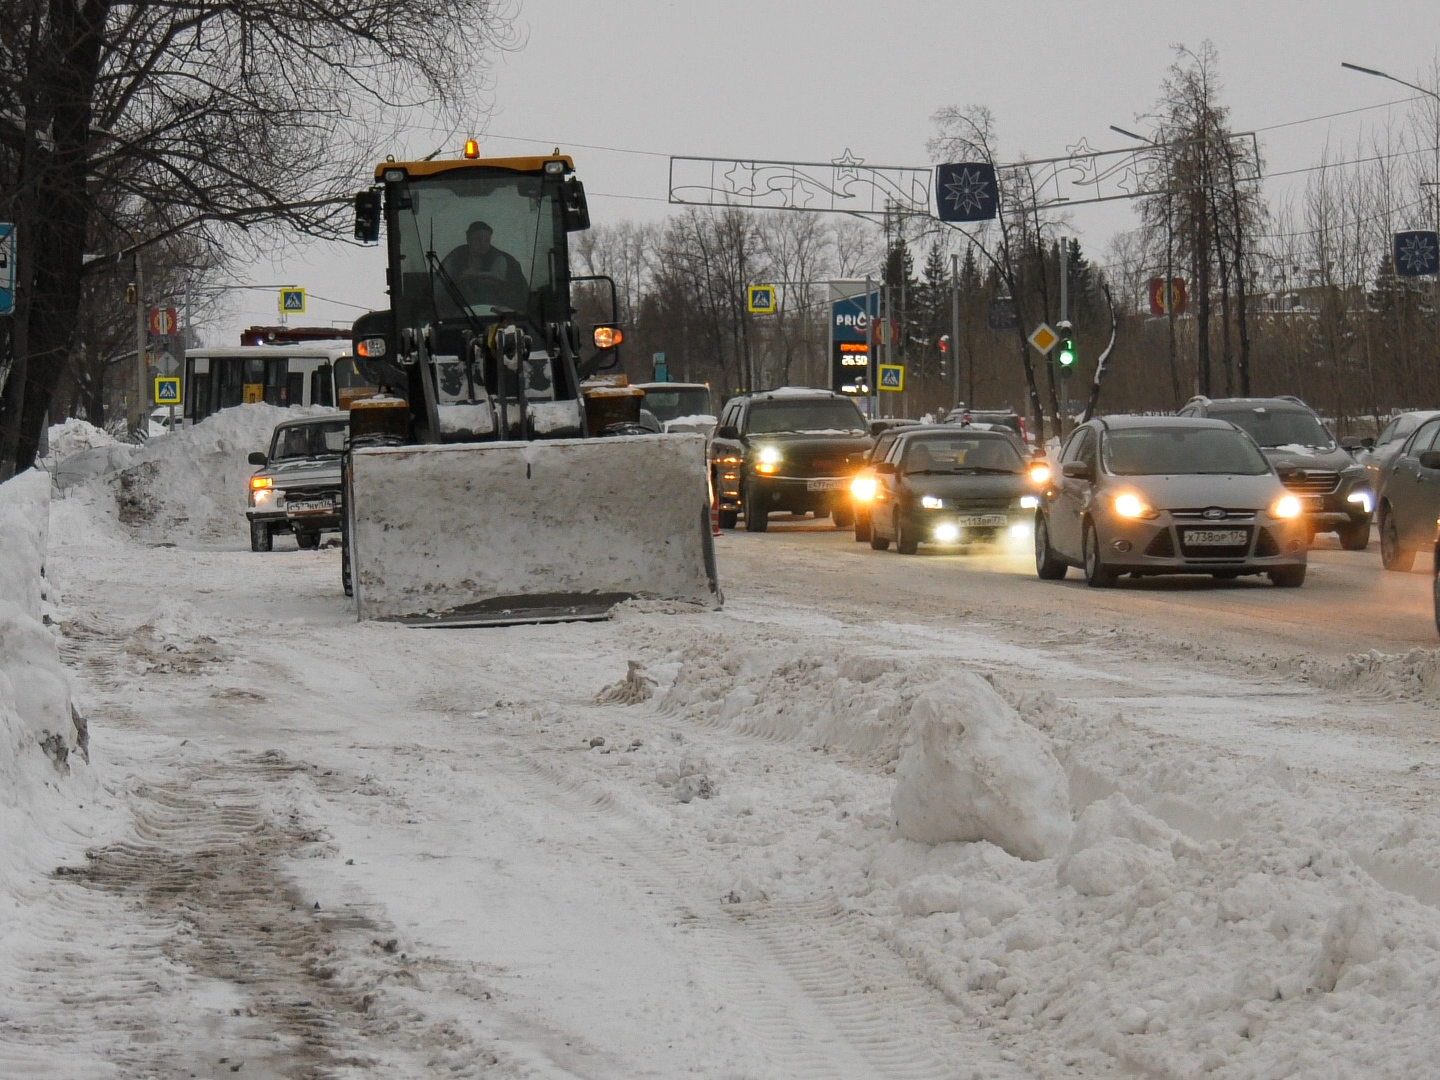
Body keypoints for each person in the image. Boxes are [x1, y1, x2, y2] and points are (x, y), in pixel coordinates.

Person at [439, 221, 529, 312]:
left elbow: (517, 295)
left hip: (496, 313)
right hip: (462, 314)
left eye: (487, 240)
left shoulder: (503, 260)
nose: (482, 244)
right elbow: (440, 287)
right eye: (478, 239)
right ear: (468, 238)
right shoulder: (455, 257)